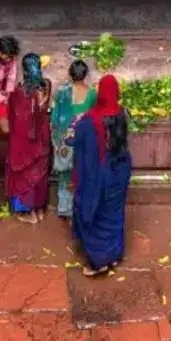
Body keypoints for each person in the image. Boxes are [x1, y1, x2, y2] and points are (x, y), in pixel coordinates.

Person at [72, 74, 132, 276]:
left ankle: (99, 262)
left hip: (99, 175)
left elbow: (83, 152)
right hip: (120, 171)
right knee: (114, 214)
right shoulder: (123, 114)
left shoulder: (89, 121)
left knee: (95, 213)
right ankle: (113, 255)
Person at [6, 53, 53, 223]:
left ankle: (27, 212)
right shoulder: (46, 86)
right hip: (41, 136)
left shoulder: (18, 92)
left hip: (23, 140)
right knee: (39, 172)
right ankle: (39, 208)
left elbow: (13, 116)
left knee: (25, 174)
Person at [51, 58, 96, 219]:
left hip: (64, 140)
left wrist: (56, 138)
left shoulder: (62, 92)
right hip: (82, 140)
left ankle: (64, 207)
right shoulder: (92, 94)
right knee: (80, 173)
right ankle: (79, 206)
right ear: (85, 75)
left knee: (64, 176)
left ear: (70, 74)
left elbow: (55, 117)